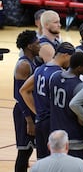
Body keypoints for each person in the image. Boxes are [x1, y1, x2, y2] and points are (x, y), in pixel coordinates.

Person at [20, 42, 75, 159]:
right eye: (71, 58)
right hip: (53, 122)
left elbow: (24, 90)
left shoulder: (40, 69)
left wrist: (37, 112)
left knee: (42, 161)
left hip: (40, 121)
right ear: (65, 55)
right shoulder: (59, 74)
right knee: (56, 160)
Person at [49, 52, 83, 165]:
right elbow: (82, 121)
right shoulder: (80, 86)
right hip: (75, 138)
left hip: (56, 136)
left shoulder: (55, 77)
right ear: (79, 68)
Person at [13, 30, 40, 172]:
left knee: (28, 151)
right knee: (24, 152)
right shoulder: (23, 65)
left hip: (31, 108)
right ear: (29, 46)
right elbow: (19, 94)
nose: (40, 45)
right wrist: (29, 120)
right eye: (37, 43)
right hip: (24, 112)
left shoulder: (33, 61)